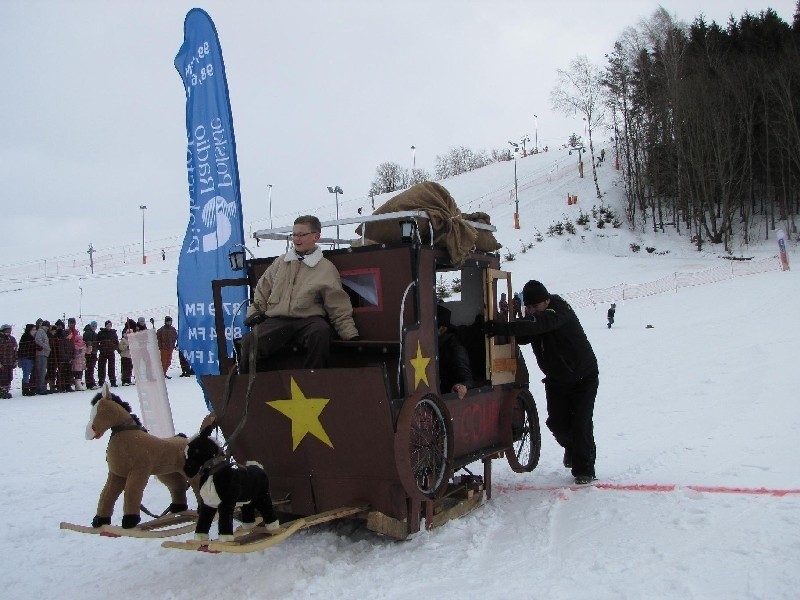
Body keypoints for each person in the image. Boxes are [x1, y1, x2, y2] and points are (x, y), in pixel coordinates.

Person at [485, 280, 599, 485]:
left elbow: (541, 323)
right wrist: (509, 320)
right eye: (528, 307)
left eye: (535, 307)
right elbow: (524, 337)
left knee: (581, 422)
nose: (531, 311)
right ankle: (572, 448)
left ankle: (584, 469)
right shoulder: (536, 318)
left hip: (583, 376)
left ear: (547, 301)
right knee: (557, 423)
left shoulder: (559, 310)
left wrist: (503, 327)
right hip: (556, 379)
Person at [240, 215, 359, 373]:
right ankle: (255, 388)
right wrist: (255, 313)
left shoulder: (325, 268)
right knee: (250, 342)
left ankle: (313, 382)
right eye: (294, 234)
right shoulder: (280, 263)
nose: (296, 239)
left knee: (321, 333)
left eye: (302, 234)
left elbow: (337, 304)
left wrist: (349, 333)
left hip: (309, 321)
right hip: (277, 321)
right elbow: (262, 290)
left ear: (316, 236)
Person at [436, 305, 476, 400]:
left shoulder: (456, 349)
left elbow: (467, 379)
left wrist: (461, 386)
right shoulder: (437, 346)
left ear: (442, 329)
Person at [96, 320, 119, 387]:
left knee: (111, 367)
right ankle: (101, 382)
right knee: (101, 367)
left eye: (109, 325)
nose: (108, 326)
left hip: (111, 352)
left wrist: (114, 347)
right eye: (107, 325)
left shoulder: (113, 333)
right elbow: (97, 342)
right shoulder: (100, 333)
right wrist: (100, 348)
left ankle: (113, 382)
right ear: (105, 325)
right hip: (103, 353)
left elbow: (116, 342)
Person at [18, 324, 37, 396]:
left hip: (30, 358)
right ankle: (25, 389)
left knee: (27, 373)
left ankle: (26, 388)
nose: (35, 331)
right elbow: (22, 348)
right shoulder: (26, 337)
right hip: (26, 358)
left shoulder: (31, 337)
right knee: (26, 373)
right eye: (33, 330)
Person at [0, 324, 18, 398]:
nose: (8, 332)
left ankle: (6, 390)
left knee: (9, 377)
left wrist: (15, 360)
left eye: (9, 330)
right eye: (7, 330)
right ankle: (2, 391)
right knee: (2, 378)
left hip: (10, 362)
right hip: (2, 363)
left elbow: (15, 350)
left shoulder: (12, 339)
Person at [34, 320, 51, 395]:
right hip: (41, 354)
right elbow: (38, 340)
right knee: (41, 371)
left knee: (42, 371)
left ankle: (40, 387)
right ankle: (41, 388)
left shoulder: (43, 332)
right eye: (46, 326)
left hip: (44, 354)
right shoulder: (41, 331)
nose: (47, 328)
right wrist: (46, 347)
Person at [83, 321, 99, 390]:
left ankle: (90, 383)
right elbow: (89, 343)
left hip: (93, 352)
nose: (94, 327)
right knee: (90, 368)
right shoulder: (89, 333)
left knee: (90, 368)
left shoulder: (92, 333)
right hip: (90, 353)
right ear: (90, 326)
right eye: (93, 326)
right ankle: (90, 383)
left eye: (95, 326)